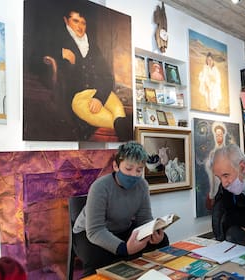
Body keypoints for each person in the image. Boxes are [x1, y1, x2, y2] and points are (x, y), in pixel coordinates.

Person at [72, 141, 169, 277]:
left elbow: (144, 218)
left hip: (121, 227)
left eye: (139, 170)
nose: (134, 175)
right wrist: (124, 248)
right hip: (88, 232)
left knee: (162, 240)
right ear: (116, 166)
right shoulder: (100, 187)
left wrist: (152, 233)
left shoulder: (142, 185)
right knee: (99, 258)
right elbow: (95, 230)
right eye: (128, 169)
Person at [46, 5, 130, 141]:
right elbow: (35, 58)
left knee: (119, 111)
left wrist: (99, 97)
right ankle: (125, 133)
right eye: (75, 21)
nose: (80, 26)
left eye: (83, 22)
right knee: (116, 121)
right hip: (78, 98)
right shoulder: (57, 41)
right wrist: (60, 54)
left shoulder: (93, 46)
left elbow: (108, 77)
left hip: (101, 92)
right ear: (66, 21)